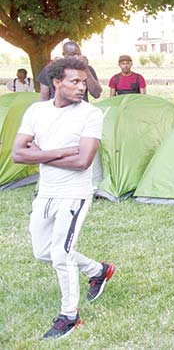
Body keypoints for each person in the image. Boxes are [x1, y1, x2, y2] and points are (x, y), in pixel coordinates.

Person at [11, 57, 116, 339]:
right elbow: (18, 153)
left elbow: (83, 161)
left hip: (75, 193)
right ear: (57, 83)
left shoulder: (90, 115)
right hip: (46, 191)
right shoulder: (36, 111)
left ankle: (70, 316)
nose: (82, 87)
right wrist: (60, 152)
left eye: (84, 81)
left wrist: (41, 154)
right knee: (41, 251)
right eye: (75, 82)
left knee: (62, 254)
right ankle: (99, 270)